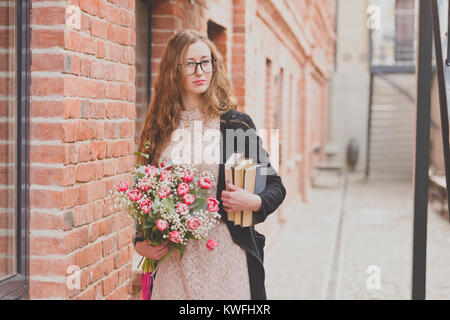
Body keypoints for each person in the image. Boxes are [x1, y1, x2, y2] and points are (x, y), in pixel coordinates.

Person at [134, 29, 286, 300]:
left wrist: (252, 201)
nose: (199, 70)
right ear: (174, 70)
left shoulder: (235, 125)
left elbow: (275, 186)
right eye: (190, 64)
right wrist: (141, 244)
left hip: (226, 259)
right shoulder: (159, 129)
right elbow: (145, 194)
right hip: (174, 262)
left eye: (206, 62)